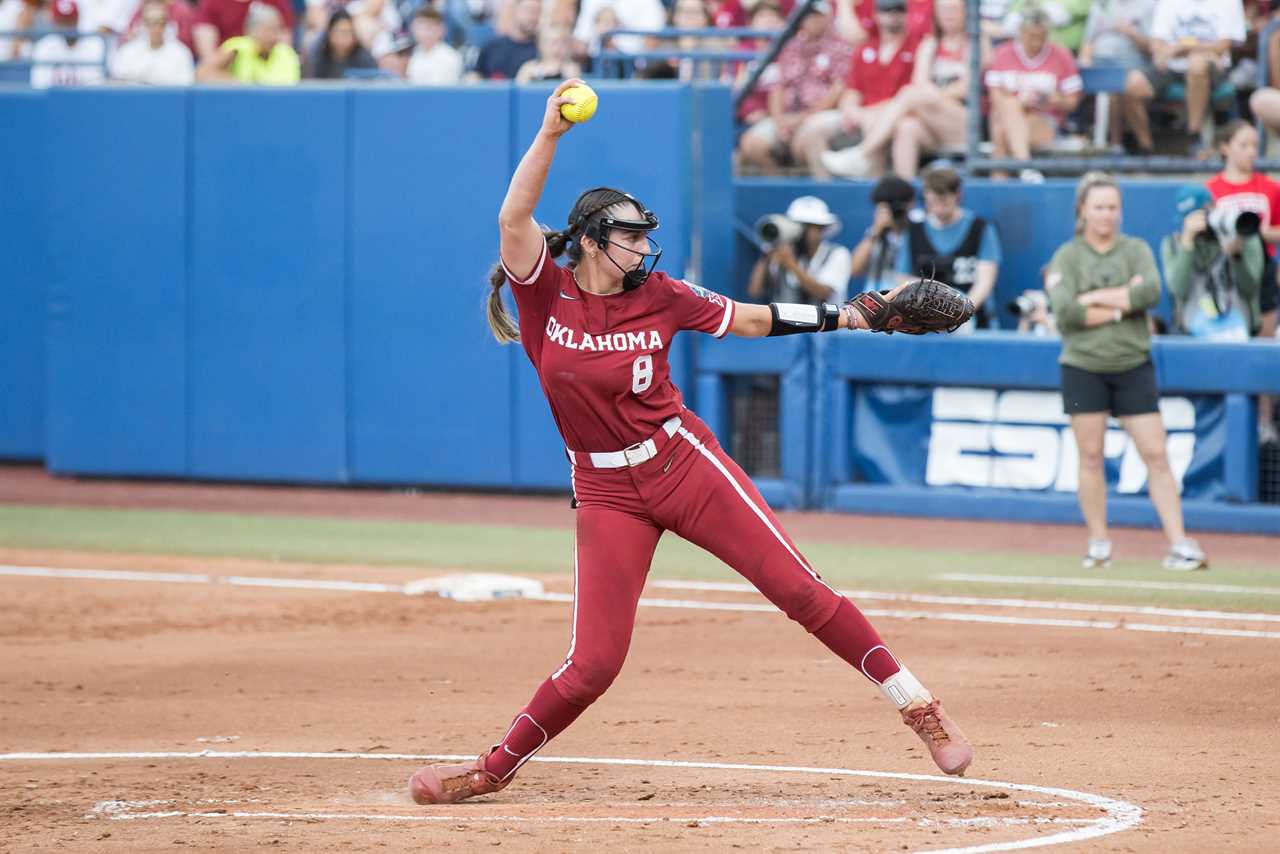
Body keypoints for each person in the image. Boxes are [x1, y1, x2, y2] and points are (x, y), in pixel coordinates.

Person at [407, 77, 975, 806]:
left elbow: (753, 317)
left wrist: (855, 315)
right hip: (607, 490)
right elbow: (514, 213)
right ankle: (493, 768)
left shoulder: (663, 294)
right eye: (631, 237)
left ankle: (917, 704)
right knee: (593, 665)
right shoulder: (544, 291)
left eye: (648, 235)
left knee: (799, 589)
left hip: (682, 462)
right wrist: (550, 132)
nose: (646, 247)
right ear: (588, 242)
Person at [1045, 172, 1208, 572]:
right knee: (1091, 455)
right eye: (1099, 207)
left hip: (1133, 363)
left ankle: (1179, 543)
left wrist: (1098, 300)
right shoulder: (1067, 255)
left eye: (1113, 207)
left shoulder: (1135, 250)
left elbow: (1149, 293)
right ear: (1083, 210)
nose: (1107, 215)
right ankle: (1099, 541)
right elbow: (1066, 312)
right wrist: (1123, 304)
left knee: (1156, 452)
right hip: (1083, 366)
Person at [822, 0, 975, 180]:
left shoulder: (974, 43)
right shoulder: (930, 44)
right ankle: (903, 194)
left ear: (966, 13)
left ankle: (862, 154)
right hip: (932, 118)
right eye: (944, 10)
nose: (949, 15)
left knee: (910, 94)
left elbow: (968, 87)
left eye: (954, 9)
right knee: (906, 127)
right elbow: (920, 81)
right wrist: (928, 97)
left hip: (966, 122)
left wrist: (933, 97)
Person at [1204, 119, 1280, 444]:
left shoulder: (1269, 187)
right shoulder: (1211, 188)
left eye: (1254, 145)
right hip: (1225, 278)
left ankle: (1265, 423)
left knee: (1263, 345)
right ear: (1225, 148)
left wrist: (1255, 233)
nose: (1251, 151)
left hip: (1263, 273)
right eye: (1243, 144)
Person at [796, 0, 923, 179]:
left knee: (875, 124)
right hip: (861, 113)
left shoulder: (916, 48)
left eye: (899, 10)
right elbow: (852, 89)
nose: (893, 16)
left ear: (906, 14)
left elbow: (911, 95)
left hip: (892, 114)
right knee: (814, 127)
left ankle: (873, 187)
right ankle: (825, 188)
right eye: (887, 11)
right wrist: (851, 110)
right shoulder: (866, 47)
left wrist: (864, 113)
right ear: (877, 15)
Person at [736, 1, 853, 174]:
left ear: (828, 17)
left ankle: (825, 193)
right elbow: (777, 87)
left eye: (815, 15)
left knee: (809, 138)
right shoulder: (790, 45)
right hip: (788, 115)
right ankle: (779, 184)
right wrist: (779, 120)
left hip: (822, 114)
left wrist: (803, 117)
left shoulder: (840, 46)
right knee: (752, 143)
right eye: (806, 14)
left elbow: (838, 90)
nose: (809, 19)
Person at [1129, 0, 1246, 156]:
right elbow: (1157, 44)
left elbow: (1221, 46)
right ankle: (1145, 148)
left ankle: (1194, 136)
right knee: (1132, 83)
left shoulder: (1229, 3)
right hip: (1171, 67)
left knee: (1196, 64)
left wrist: (1183, 46)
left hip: (1213, 68)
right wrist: (1167, 52)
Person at [984, 8, 1081, 183]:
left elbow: (1072, 101)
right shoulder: (1002, 53)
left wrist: (1052, 99)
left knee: (1002, 131)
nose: (1036, 41)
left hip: (1044, 120)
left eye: (1041, 36)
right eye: (1030, 35)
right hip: (1005, 117)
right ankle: (1025, 166)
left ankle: (1000, 180)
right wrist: (1020, 102)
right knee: (1007, 110)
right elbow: (995, 97)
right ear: (1020, 32)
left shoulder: (1061, 55)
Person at [896, 165, 1000, 329]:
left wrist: (960, 312)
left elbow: (984, 282)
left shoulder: (980, 229)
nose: (938, 208)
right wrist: (933, 301)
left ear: (957, 194)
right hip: (924, 323)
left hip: (973, 321)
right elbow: (903, 278)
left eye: (943, 201)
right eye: (933, 202)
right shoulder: (913, 231)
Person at [1162, 184, 1264, 341]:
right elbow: (1178, 289)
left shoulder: (1241, 230)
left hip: (1240, 331)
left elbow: (1250, 288)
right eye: (1190, 218)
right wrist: (1187, 242)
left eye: (1200, 215)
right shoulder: (1173, 243)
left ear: (1213, 206)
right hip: (1192, 332)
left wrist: (1238, 256)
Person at [1078, 0, 1158, 154]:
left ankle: (1144, 146)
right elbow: (1088, 41)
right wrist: (1085, 60)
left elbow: (1152, 48)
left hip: (1136, 66)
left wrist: (1129, 32)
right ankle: (1113, 146)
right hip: (1099, 67)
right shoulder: (1101, 4)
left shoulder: (1149, 5)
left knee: (1124, 85)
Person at [747, 196, 853, 305]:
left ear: (822, 228)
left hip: (826, 322)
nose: (803, 231)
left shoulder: (838, 254)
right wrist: (766, 256)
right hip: (784, 321)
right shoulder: (783, 253)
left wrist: (791, 265)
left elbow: (824, 293)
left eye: (809, 226)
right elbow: (755, 291)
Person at [197, 2, 300, 83]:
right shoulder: (238, 48)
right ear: (252, 31)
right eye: (267, 30)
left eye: (276, 29)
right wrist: (238, 84)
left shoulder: (287, 53)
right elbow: (202, 73)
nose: (272, 36)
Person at [850, 175, 915, 294]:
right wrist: (876, 230)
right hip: (875, 302)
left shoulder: (919, 232)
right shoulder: (875, 234)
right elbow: (854, 269)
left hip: (907, 301)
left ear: (910, 204)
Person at [110, 0, 196, 84]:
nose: (155, 27)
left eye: (160, 22)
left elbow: (185, 85)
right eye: (149, 22)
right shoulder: (127, 51)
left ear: (166, 24)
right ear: (142, 24)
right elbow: (119, 82)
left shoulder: (181, 53)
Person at [30, 0, 107, 88]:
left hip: (84, 99)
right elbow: (40, 87)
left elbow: (95, 87)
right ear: (55, 22)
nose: (67, 25)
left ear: (77, 19)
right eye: (62, 21)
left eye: (70, 20)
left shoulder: (93, 45)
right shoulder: (44, 46)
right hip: (53, 100)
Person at [192, 0, 294, 65]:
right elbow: (208, 59)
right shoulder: (236, 48)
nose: (270, 35)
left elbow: (284, 46)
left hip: (271, 73)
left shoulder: (277, 2)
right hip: (228, 73)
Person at [472, 0, 539, 79]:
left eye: (537, 12)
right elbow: (474, 75)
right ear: (515, 10)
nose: (532, 17)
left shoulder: (542, 49)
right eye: (528, 10)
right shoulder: (492, 46)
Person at [304, 8, 377, 78]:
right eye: (340, 32)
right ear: (330, 34)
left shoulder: (365, 59)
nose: (344, 38)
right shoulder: (318, 58)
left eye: (348, 32)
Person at [406, 5, 464, 83]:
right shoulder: (416, 53)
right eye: (419, 27)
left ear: (441, 29)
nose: (424, 33)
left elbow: (439, 92)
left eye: (428, 28)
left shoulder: (450, 57)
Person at [515, 21, 579, 81]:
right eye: (552, 43)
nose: (557, 47)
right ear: (540, 45)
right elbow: (518, 89)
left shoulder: (570, 69)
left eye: (562, 42)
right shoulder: (529, 69)